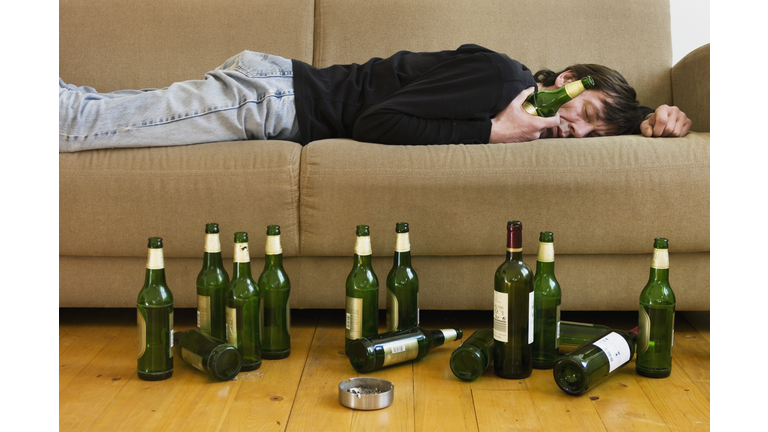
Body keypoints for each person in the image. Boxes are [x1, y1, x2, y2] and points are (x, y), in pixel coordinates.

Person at [59, 44, 691, 153]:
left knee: (89, 109)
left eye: (591, 135)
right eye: (581, 113)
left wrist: (655, 121)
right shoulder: (503, 82)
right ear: (564, 81)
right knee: (77, 126)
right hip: (271, 100)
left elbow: (619, 120)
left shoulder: (527, 107)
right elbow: (374, 122)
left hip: (272, 90)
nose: (576, 131)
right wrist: (494, 131)